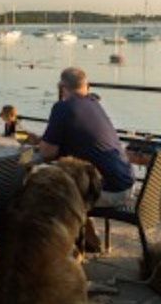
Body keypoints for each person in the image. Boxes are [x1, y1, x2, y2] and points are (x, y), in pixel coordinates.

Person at [39, 67, 134, 252]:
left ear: (62, 86)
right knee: (77, 183)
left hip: (109, 191)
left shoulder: (63, 107)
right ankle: (90, 240)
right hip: (127, 183)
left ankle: (55, 249)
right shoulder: (94, 103)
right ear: (86, 86)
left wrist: (40, 145)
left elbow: (47, 153)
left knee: (48, 193)